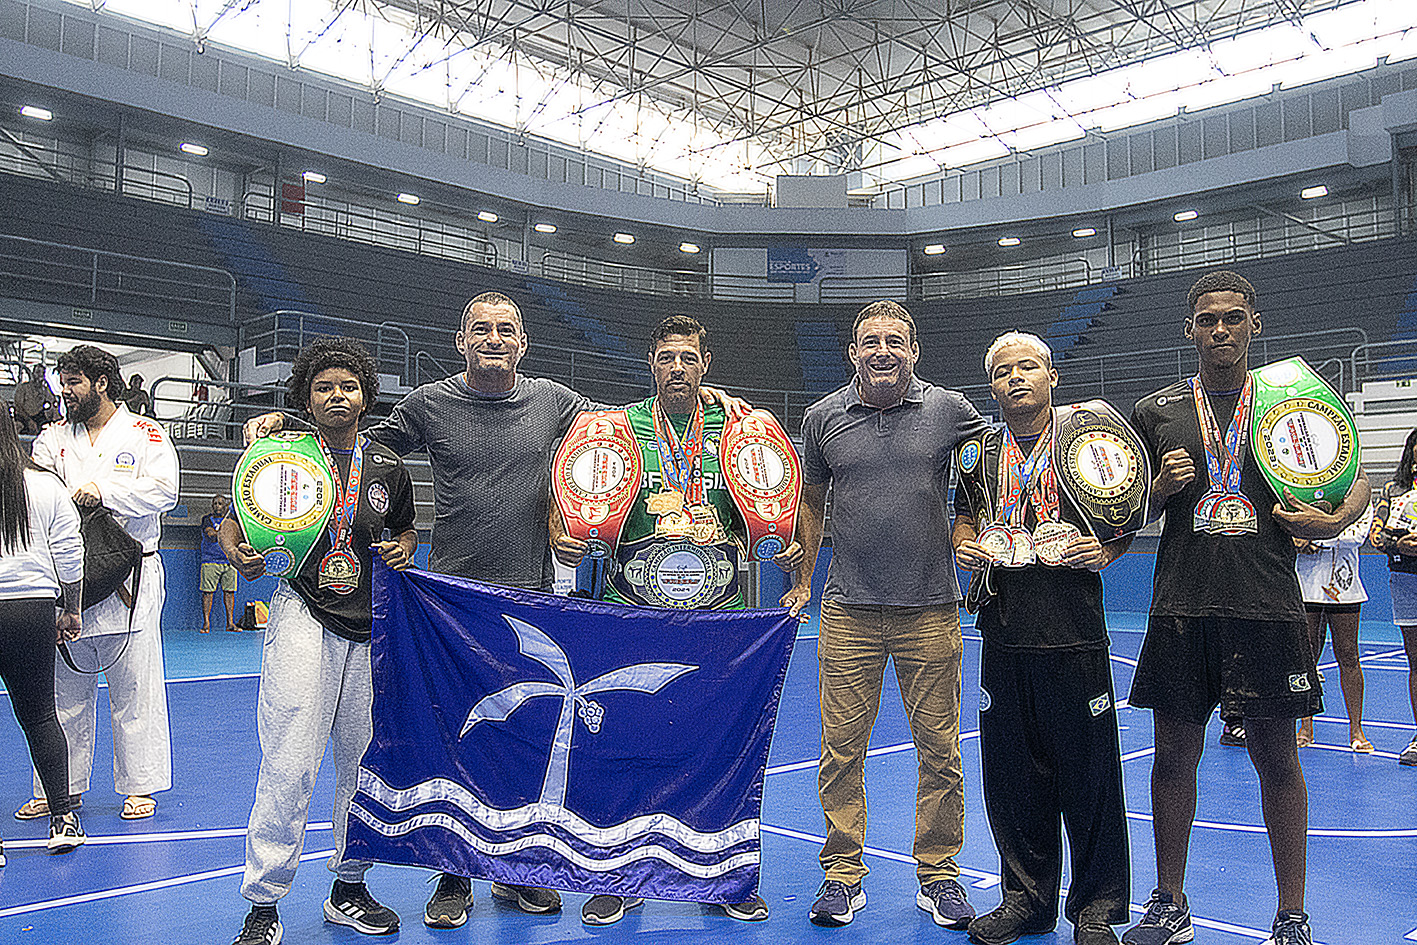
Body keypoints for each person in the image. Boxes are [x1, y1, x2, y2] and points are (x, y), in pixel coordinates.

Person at [244, 291, 747, 928]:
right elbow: (348, 440)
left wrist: (707, 401)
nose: (493, 339)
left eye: (505, 330)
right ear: (461, 341)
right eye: (480, 329)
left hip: (531, 596)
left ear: (523, 343)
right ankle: (454, 877)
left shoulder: (556, 402)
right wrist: (283, 428)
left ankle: (516, 874)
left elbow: (625, 427)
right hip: (453, 606)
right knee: (459, 742)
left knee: (525, 742)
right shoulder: (428, 404)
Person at [1122, 270, 1371, 945]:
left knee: (1277, 760)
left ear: (1254, 324)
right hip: (1182, 606)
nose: (1221, 330)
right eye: (1207, 320)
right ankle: (1169, 904)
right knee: (1172, 758)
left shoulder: (1291, 405)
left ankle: (1291, 915)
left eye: (1233, 317)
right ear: (1189, 330)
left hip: (1267, 606)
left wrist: (1332, 521)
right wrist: (1158, 490)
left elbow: (1356, 480)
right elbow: (1125, 506)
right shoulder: (1156, 410)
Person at [550, 314, 804, 925]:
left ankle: (726, 877)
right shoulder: (615, 429)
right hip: (635, 614)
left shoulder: (740, 429)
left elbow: (774, 508)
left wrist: (785, 542)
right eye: (667, 358)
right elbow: (571, 500)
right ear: (651, 364)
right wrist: (564, 537)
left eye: (689, 358)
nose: (678, 368)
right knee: (626, 745)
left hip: (721, 619)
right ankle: (618, 876)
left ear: (705, 364)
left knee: (721, 750)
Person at [788, 299, 988, 930]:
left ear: (913, 350)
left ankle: (940, 875)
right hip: (847, 610)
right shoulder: (823, 417)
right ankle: (842, 874)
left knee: (940, 751)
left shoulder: (950, 411)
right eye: (870, 341)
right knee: (840, 751)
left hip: (931, 608)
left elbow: (995, 472)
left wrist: (972, 532)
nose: (882, 351)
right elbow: (811, 502)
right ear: (853, 352)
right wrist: (802, 579)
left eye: (894, 341)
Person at [223, 337, 418, 945]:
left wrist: (403, 547)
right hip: (303, 613)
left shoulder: (386, 464)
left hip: (372, 622)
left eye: (348, 387)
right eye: (324, 387)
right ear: (306, 399)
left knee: (361, 762)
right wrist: (238, 554)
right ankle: (263, 903)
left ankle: (349, 887)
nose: (338, 396)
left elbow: (406, 529)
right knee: (289, 761)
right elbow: (231, 522)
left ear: (366, 397)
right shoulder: (282, 454)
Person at [951, 332, 1130, 945]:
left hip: (1073, 630)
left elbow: (1123, 515)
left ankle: (1098, 907)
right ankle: (1025, 900)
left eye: (1028, 367)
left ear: (1052, 376)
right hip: (1004, 629)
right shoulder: (978, 452)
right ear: (992, 387)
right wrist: (963, 544)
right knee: (1012, 777)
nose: (1016, 378)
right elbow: (965, 517)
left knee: (1091, 776)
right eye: (1003, 372)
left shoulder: (1090, 440)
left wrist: (1108, 551)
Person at [16, 345, 178, 824]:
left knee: (135, 686)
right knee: (64, 691)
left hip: (130, 574)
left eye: (74, 382)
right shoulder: (52, 439)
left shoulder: (146, 433)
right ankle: (59, 789)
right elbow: (36, 489)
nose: (66, 392)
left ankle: (140, 785)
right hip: (70, 576)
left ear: (102, 383)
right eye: (63, 383)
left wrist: (104, 491)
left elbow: (165, 491)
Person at [0, 406, 86, 866]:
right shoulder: (45, 485)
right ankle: (63, 819)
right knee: (39, 717)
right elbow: (70, 552)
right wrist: (71, 608)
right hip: (29, 609)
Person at [1295, 500, 1374, 751]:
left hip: (1345, 586)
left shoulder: (1359, 498)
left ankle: (1356, 729)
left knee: (1349, 655)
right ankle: (1305, 726)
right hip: (1306, 584)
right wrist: (1299, 538)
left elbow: (1357, 535)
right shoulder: (1305, 494)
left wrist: (1315, 537)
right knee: (1306, 657)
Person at [1368, 426, 1417, 766]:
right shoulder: (1392, 490)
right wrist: (1397, 544)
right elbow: (1375, 536)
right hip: (1405, 581)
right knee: (1416, 662)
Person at [200, 495, 238, 633]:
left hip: (229, 561)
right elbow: (210, 535)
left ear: (226, 506)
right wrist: (225, 533)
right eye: (215, 503)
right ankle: (206, 623)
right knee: (207, 593)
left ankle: (230, 623)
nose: (217, 506)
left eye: (220, 503)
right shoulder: (207, 519)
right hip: (210, 561)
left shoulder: (231, 521)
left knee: (229, 592)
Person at [13, 364, 57, 435]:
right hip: (23, 417)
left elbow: (52, 401)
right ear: (33, 373)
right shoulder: (23, 388)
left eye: (42, 373)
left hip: (39, 417)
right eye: (38, 372)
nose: (39, 375)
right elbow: (18, 406)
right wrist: (28, 420)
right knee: (18, 426)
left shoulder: (45, 390)